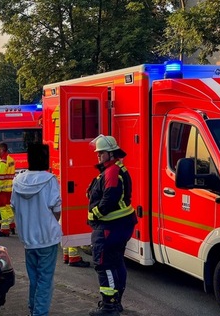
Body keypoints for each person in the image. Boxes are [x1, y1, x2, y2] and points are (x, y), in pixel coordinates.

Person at [87, 135, 137, 316]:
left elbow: (110, 197)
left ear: (111, 153)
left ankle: (109, 306)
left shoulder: (112, 171)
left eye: (101, 153)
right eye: (98, 153)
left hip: (109, 227)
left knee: (104, 265)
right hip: (120, 225)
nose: (98, 156)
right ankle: (116, 302)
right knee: (116, 263)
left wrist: (95, 214)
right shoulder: (115, 168)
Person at [11, 143, 62, 316]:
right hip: (47, 238)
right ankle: (39, 313)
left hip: (28, 239)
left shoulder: (18, 180)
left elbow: (13, 206)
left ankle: (33, 310)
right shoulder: (49, 179)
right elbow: (56, 209)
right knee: (45, 280)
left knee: (34, 279)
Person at [0, 141, 16, 237]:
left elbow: (0, 178)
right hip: (9, 189)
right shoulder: (10, 160)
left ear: (1, 150)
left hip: (1, 190)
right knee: (8, 208)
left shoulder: (2, 162)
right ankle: (11, 225)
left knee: (1, 209)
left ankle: (4, 230)